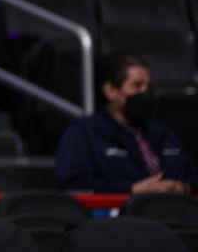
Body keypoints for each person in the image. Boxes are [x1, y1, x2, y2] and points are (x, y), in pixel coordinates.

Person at [55, 53, 198, 194]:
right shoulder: (84, 133)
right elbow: (72, 184)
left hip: (170, 211)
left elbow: (191, 173)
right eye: (137, 85)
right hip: (117, 213)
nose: (145, 93)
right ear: (110, 90)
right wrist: (130, 190)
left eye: (148, 86)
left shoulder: (160, 131)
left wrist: (182, 187)